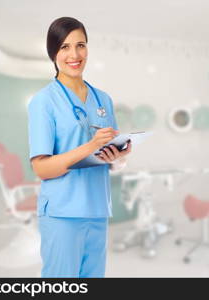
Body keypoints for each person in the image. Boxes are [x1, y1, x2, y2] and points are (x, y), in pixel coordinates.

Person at [27, 16, 131, 278]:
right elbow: (41, 169)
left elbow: (110, 159)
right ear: (53, 53)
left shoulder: (103, 99)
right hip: (63, 213)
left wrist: (119, 158)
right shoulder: (43, 102)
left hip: (97, 208)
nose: (74, 54)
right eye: (64, 47)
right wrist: (89, 147)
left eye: (81, 45)